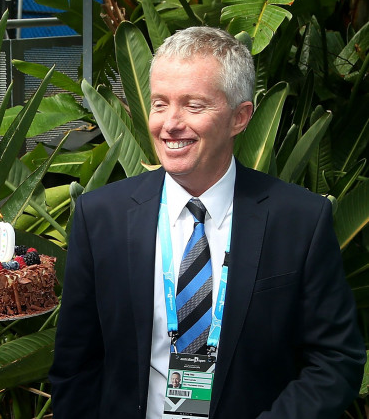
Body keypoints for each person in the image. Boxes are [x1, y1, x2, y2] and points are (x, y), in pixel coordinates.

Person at [49, 26, 365, 418]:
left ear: (240, 117)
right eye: (160, 103)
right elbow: (75, 366)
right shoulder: (101, 218)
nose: (170, 123)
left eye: (193, 106)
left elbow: (336, 359)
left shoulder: (299, 220)